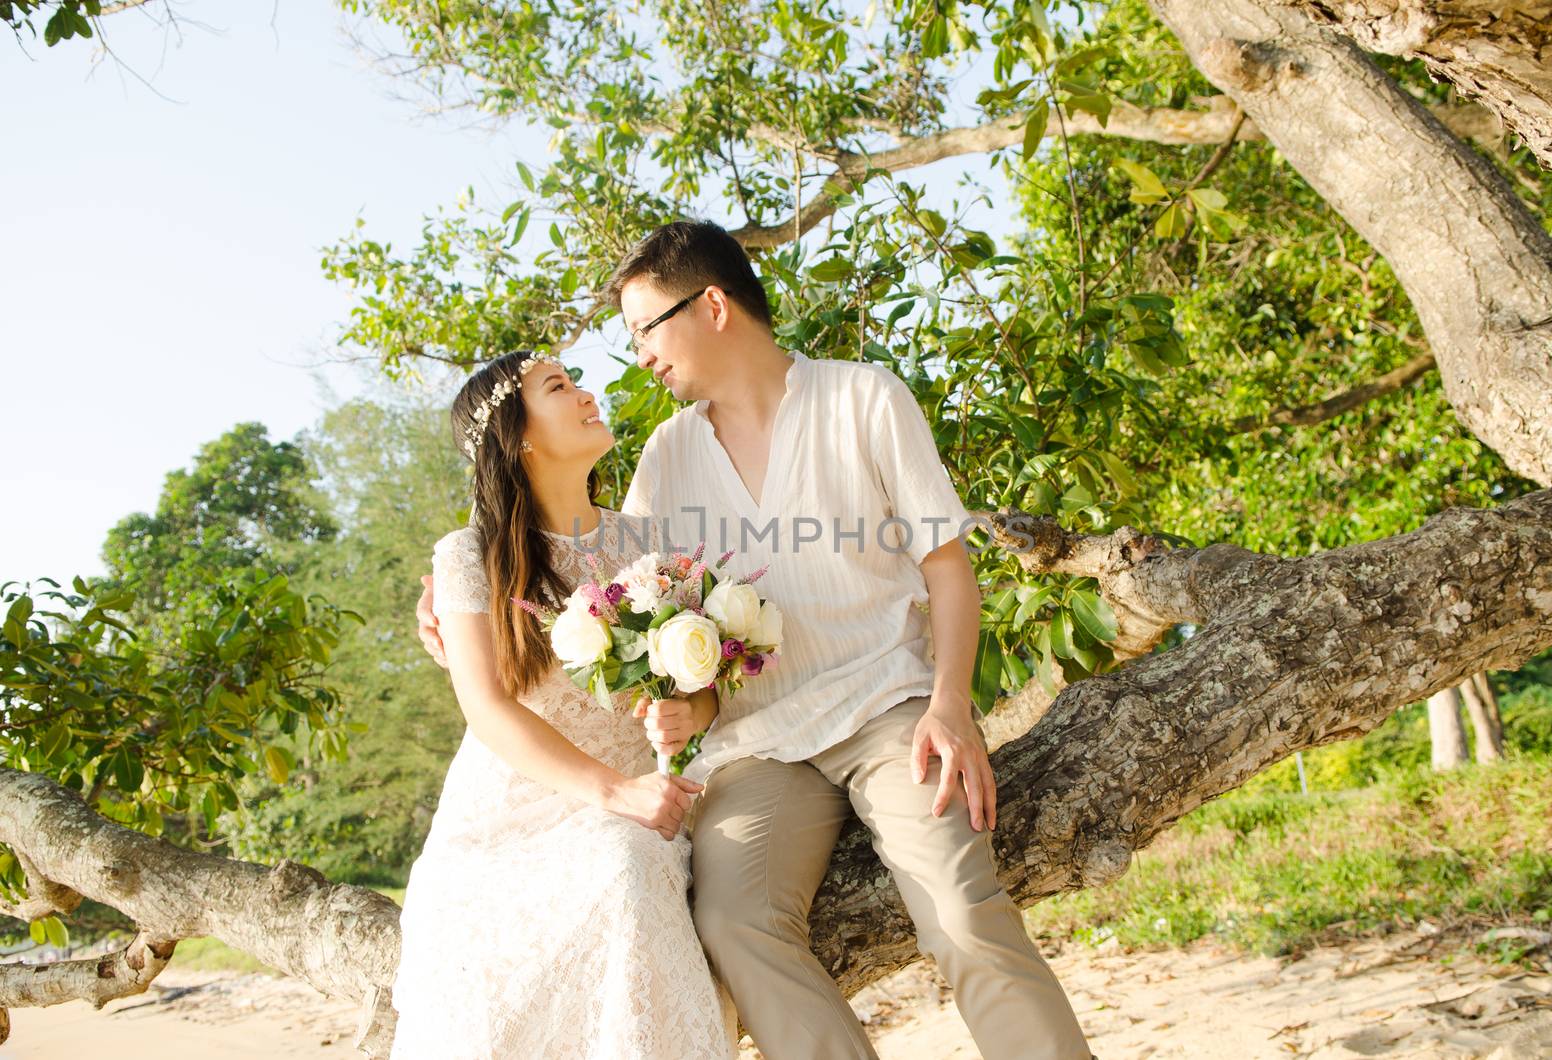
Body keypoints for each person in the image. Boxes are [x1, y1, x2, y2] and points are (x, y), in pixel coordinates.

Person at [419, 221, 1095, 1059]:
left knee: (961, 912)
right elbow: (589, 576)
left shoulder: (865, 398)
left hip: (886, 707)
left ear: (711, 306)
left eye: (644, 330)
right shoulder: (665, 458)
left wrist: (950, 705)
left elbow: (949, 570)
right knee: (735, 924)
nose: (637, 358)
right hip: (754, 746)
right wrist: (453, 607)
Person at [390, 349, 734, 1059]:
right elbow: (487, 708)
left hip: (642, 799)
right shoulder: (470, 555)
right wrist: (615, 791)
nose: (586, 394)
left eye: (576, 380)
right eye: (559, 386)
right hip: (512, 813)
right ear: (519, 436)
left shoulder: (651, 546)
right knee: (611, 863)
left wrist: (692, 714)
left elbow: (703, 689)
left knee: (628, 862)